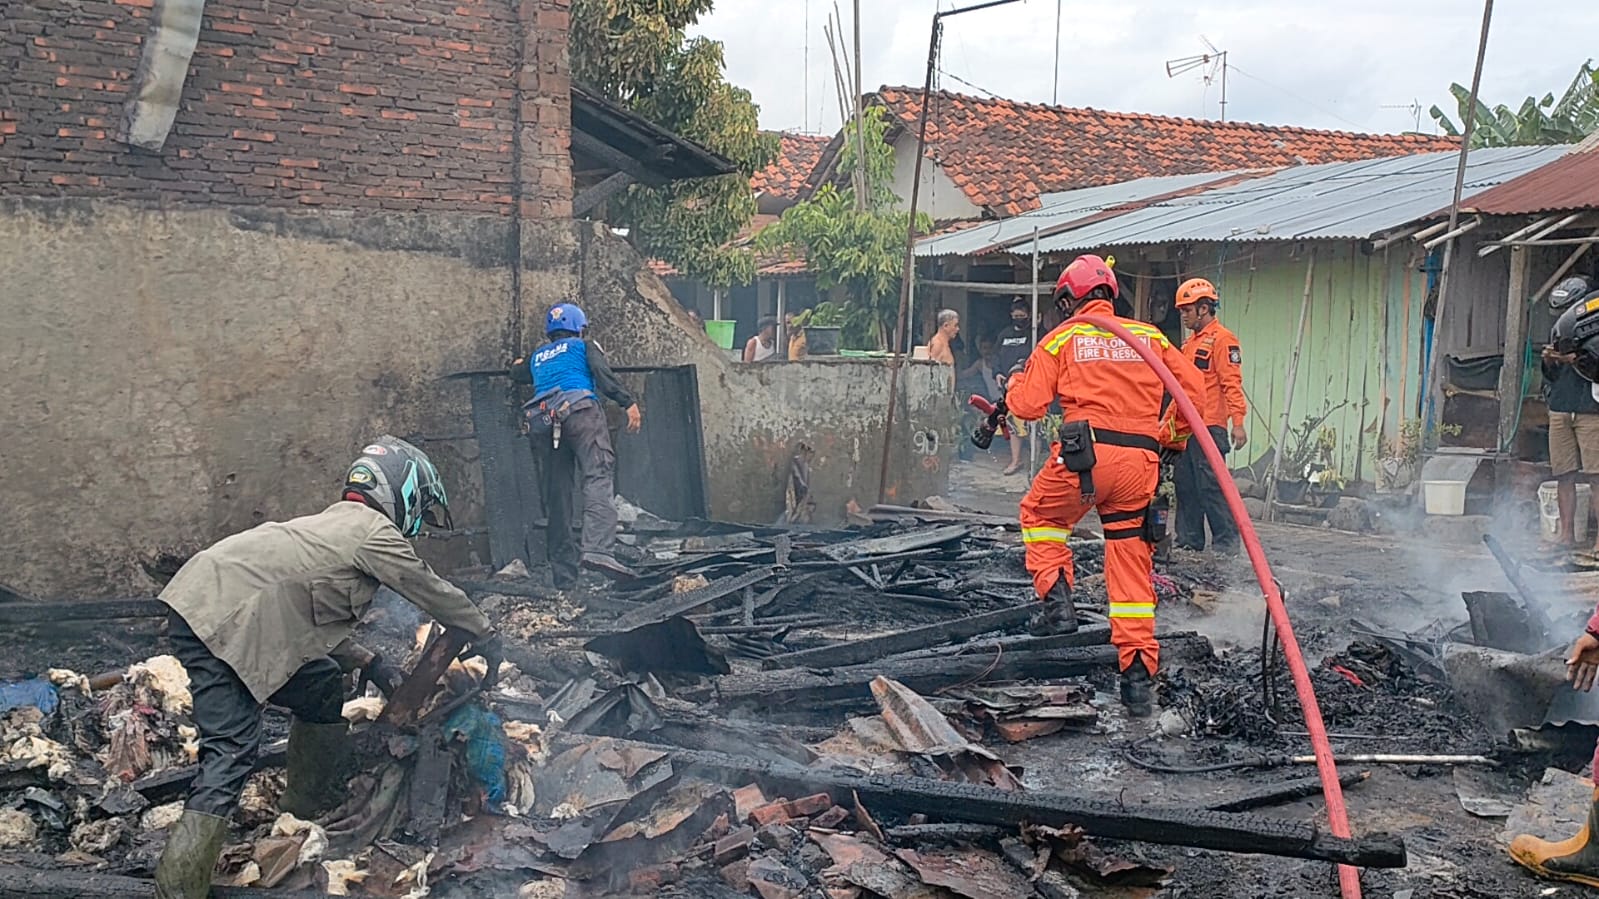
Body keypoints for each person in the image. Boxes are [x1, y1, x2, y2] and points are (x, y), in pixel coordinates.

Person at [153, 437, 501, 899]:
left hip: (215, 603)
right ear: (405, 491)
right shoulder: (373, 531)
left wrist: (370, 660)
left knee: (317, 685)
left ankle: (304, 809)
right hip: (221, 617)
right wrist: (485, 632)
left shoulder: (334, 525)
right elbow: (429, 588)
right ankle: (177, 889)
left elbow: (299, 611)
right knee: (232, 749)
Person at [1005, 254, 1203, 716]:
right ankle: (1137, 679)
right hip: (1140, 464)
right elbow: (1194, 392)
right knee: (1131, 563)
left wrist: (1016, 383)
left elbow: (1030, 406)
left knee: (1042, 516)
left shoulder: (1063, 337)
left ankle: (1057, 604)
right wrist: (1172, 437)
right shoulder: (1151, 337)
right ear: (1111, 295)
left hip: (1083, 458)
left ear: (1068, 299)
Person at [512, 303, 642, 588]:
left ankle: (564, 576)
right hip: (580, 411)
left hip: (544, 422)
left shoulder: (538, 357)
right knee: (598, 472)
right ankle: (597, 549)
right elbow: (602, 374)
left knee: (558, 495)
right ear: (579, 327)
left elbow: (516, 372)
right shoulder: (584, 345)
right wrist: (627, 402)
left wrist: (518, 363)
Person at [1172, 278, 1248, 554]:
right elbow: (1180, 388)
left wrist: (1238, 423)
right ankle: (1189, 541)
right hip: (1188, 427)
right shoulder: (1190, 344)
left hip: (1210, 426)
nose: (1183, 315)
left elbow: (1232, 383)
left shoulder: (1223, 340)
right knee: (1185, 485)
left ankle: (1226, 543)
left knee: (1211, 486)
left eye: (1187, 310)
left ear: (1204, 309)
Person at [1542, 276, 1599, 553]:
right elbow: (1551, 377)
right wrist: (1549, 361)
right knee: (1564, 473)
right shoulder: (1559, 330)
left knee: (1596, 475)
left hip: (1591, 408)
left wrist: (1577, 359)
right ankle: (1566, 536)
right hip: (1560, 406)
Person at [994, 299, 1036, 476]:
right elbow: (995, 356)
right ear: (1011, 316)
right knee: (1013, 423)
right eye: (1016, 316)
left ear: (1029, 315)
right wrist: (996, 372)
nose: (1019, 318)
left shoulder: (1034, 333)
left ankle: (1035, 463)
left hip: (1030, 385)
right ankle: (1016, 460)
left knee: (1035, 425)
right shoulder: (1004, 334)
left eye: (1022, 316)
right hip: (1009, 387)